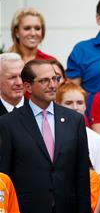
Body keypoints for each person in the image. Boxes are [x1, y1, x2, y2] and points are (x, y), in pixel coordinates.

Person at [0, 59, 90, 213]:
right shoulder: (8, 123)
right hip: (25, 208)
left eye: (55, 79)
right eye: (44, 81)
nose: (53, 85)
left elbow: (82, 174)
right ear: (27, 86)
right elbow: (4, 176)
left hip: (67, 207)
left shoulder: (74, 120)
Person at [55, 81, 100, 213]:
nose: (75, 107)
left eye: (79, 102)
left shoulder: (96, 139)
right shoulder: (48, 135)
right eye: (68, 103)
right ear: (57, 105)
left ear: (85, 106)